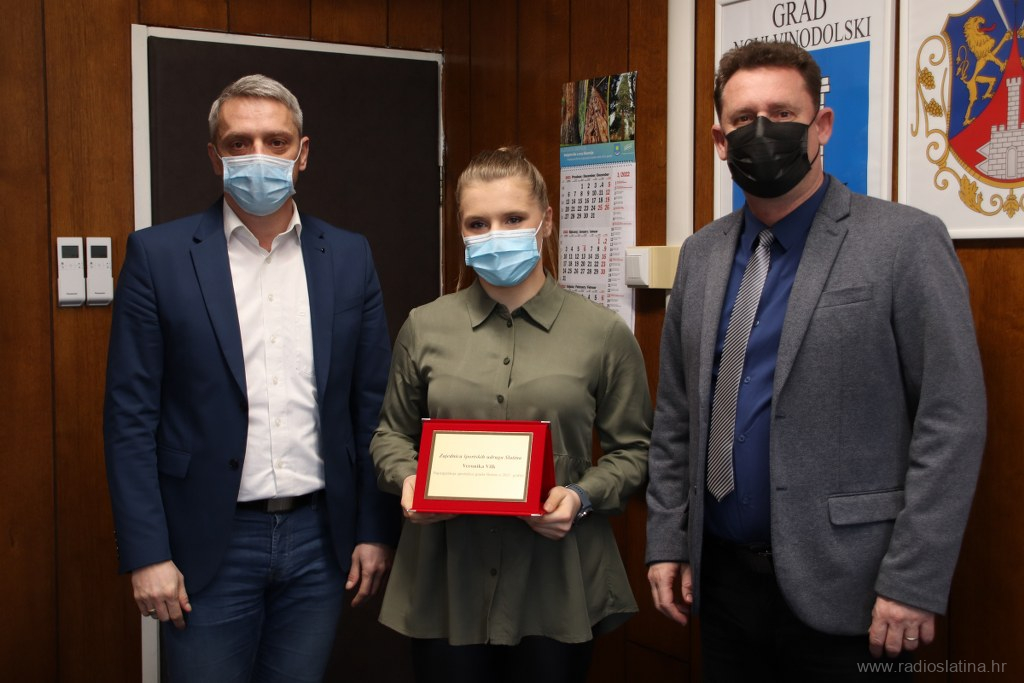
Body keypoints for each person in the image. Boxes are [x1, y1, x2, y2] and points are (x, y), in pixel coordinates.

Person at [645, 41, 987, 680]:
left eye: (782, 114)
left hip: (855, 591)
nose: (762, 132)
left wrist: (914, 579)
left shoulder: (904, 242)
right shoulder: (701, 255)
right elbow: (676, 415)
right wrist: (668, 539)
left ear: (821, 125)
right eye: (743, 120)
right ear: (720, 140)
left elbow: (952, 421)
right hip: (721, 586)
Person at [103, 74, 400, 682]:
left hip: (321, 538)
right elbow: (129, 418)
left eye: (276, 141)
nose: (258, 156)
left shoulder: (349, 256)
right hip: (206, 540)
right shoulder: (159, 257)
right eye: (239, 143)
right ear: (215, 156)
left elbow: (372, 408)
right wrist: (147, 552)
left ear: (302, 152)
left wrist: (375, 528)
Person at [370, 147, 651, 683]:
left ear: (546, 221)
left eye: (514, 218)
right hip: (447, 582)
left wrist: (582, 496)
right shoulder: (424, 327)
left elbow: (634, 450)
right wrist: (408, 480)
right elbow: (390, 435)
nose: (495, 234)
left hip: (555, 582)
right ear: (461, 231)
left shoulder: (602, 333)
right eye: (478, 223)